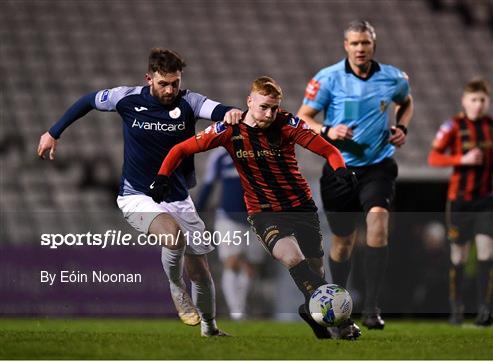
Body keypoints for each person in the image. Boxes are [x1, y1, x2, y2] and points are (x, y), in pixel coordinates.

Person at [37, 48, 243, 336]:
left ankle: (210, 328)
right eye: (163, 83)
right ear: (149, 78)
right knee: (172, 236)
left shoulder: (190, 102)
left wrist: (232, 112)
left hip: (179, 198)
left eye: (175, 82)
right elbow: (87, 101)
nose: (170, 90)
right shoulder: (127, 98)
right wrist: (53, 132)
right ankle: (176, 289)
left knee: (201, 273)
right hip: (137, 195)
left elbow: (218, 110)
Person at [150, 76, 361, 340]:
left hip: (301, 207)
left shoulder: (287, 123)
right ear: (250, 101)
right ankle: (341, 322)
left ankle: (311, 312)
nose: (270, 113)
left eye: (274, 107)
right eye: (264, 107)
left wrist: (340, 170)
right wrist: (162, 176)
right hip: (264, 212)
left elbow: (329, 150)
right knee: (293, 259)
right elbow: (181, 149)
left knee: (316, 272)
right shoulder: (229, 129)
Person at [297, 20, 414, 329]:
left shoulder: (393, 77)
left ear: (373, 45)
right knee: (342, 243)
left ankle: (372, 308)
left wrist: (401, 127)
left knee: (378, 221)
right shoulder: (328, 78)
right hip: (340, 168)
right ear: (345, 45)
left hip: (378, 166)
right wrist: (327, 129)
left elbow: (406, 102)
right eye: (355, 43)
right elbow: (302, 117)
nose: (360, 48)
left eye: (365, 43)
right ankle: (339, 300)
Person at [428, 79, 493, 326]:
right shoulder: (452, 126)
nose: (478, 105)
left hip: (488, 199)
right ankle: (457, 309)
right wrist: (461, 159)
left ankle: (485, 310)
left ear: (488, 102)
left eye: (482, 100)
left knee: (487, 255)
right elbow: (433, 157)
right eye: (473, 100)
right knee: (459, 257)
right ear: (464, 101)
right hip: (460, 201)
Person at [195, 148, 266, 320]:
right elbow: (209, 184)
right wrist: (195, 213)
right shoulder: (220, 155)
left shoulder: (261, 151)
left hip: (257, 218)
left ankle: (241, 307)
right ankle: (237, 312)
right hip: (228, 217)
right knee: (232, 261)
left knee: (250, 267)